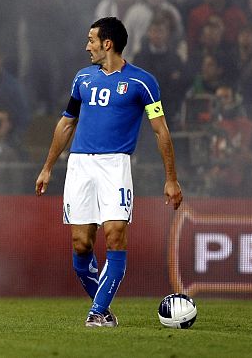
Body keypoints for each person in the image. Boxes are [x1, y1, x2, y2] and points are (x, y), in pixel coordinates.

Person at [35, 17, 183, 328]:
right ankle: (103, 309)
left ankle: (97, 312)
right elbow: (67, 123)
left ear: (107, 43)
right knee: (81, 245)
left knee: (115, 236)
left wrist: (171, 178)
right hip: (79, 165)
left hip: (115, 165)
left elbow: (161, 131)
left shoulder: (142, 82)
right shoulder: (83, 79)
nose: (86, 46)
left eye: (91, 40)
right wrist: (48, 166)